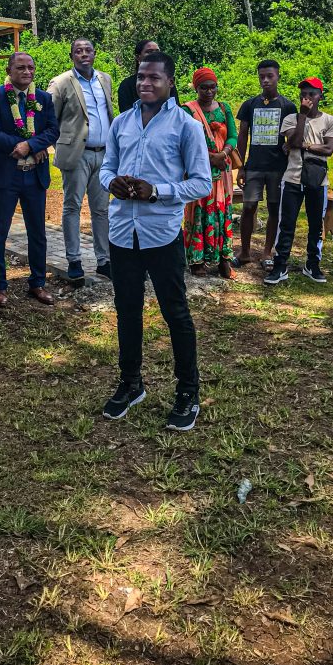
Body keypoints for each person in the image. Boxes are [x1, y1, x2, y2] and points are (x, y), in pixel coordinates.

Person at [99, 51, 212, 432]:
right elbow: (107, 167)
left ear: (170, 83)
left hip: (161, 233)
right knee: (127, 311)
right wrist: (109, 182)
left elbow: (201, 182)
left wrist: (156, 192)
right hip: (122, 233)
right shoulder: (121, 122)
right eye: (141, 76)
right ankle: (131, 383)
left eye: (154, 78)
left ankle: (187, 392)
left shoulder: (185, 126)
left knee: (175, 313)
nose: (145, 83)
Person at [0, 52, 60, 308]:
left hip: (34, 176)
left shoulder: (43, 98)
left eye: (30, 67)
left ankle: (37, 282)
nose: (26, 72)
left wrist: (33, 144)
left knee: (37, 232)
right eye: (20, 67)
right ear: (9, 69)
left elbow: (52, 130)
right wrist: (23, 145)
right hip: (6, 175)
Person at [48, 38, 114, 284]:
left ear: (94, 54)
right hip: (77, 154)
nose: (84, 54)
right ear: (72, 56)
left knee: (101, 209)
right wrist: (62, 147)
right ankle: (74, 259)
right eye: (78, 51)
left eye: (88, 50)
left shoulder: (104, 79)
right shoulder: (61, 82)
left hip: (104, 153)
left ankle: (104, 261)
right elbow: (49, 118)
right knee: (72, 206)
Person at [264, 78, 333, 285]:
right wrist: (303, 117)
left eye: (311, 94)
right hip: (292, 178)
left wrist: (304, 146)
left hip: (318, 180)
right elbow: (293, 142)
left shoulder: (330, 121)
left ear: (320, 96)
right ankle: (280, 266)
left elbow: (329, 149)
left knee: (316, 225)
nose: (307, 98)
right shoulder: (291, 119)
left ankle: (313, 264)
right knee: (286, 224)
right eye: (303, 94)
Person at [235, 60, 297, 269]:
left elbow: (293, 136)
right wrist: (240, 166)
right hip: (254, 166)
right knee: (249, 206)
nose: (265, 80)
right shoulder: (250, 105)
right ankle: (244, 251)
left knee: (274, 208)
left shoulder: (288, 106)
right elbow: (242, 136)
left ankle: (267, 252)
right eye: (262, 76)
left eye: (270, 76)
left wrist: (290, 148)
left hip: (278, 168)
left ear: (278, 76)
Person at [181, 67, 238, 279]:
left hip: (221, 169)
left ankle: (224, 260)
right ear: (196, 88)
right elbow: (183, 140)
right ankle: (197, 260)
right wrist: (209, 157)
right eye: (204, 87)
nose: (209, 91)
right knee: (199, 210)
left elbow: (233, 136)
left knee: (222, 211)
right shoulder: (188, 110)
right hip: (197, 167)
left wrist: (223, 153)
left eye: (212, 87)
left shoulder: (224, 108)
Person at [117, 40, 177, 113]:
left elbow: (175, 109)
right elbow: (126, 116)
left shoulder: (166, 82)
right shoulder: (126, 85)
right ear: (138, 57)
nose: (154, 55)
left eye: (157, 51)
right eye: (149, 52)